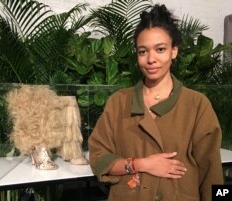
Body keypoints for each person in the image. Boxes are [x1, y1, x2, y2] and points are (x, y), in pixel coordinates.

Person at [88, 4, 223, 201]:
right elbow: (99, 158)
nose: (151, 59)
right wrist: (141, 164)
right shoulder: (119, 102)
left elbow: (213, 173)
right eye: (143, 51)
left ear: (174, 51)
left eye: (160, 49)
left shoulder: (197, 105)